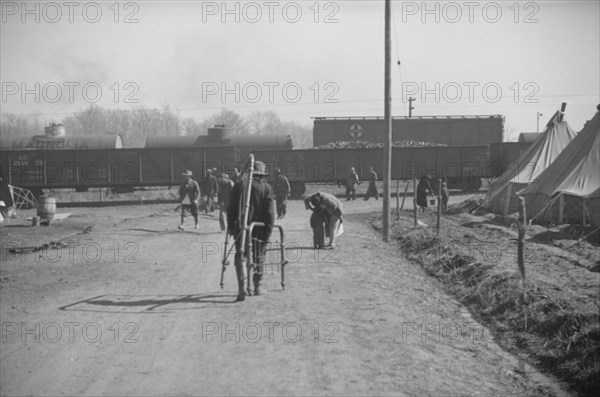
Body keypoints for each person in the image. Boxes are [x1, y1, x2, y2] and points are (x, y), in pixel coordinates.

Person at [227, 161, 275, 301]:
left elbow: (231, 209)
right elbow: (270, 213)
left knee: (240, 255)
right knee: (259, 255)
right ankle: (258, 286)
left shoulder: (239, 186)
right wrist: (268, 231)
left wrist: (231, 227)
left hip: (241, 228)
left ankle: (242, 288)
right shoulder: (266, 188)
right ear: (261, 174)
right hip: (259, 229)